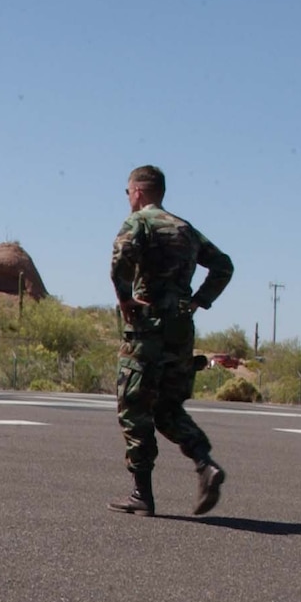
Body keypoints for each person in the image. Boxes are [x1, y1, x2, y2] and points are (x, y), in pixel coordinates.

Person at [109, 165, 234, 517]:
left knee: (134, 407)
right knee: (167, 409)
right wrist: (198, 301)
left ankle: (141, 494)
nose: (128, 199)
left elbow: (119, 264)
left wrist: (125, 300)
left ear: (138, 191)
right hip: (180, 332)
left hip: (146, 331)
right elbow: (223, 265)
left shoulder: (140, 223)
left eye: (128, 192)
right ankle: (204, 463)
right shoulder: (186, 229)